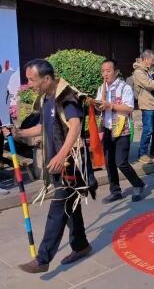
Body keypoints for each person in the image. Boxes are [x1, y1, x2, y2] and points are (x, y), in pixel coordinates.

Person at [13, 59, 95, 273]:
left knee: (58, 208)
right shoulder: (46, 98)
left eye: (32, 79)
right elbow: (42, 126)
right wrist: (18, 133)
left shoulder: (66, 97)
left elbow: (75, 127)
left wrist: (61, 154)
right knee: (71, 207)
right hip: (57, 163)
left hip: (70, 164)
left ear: (47, 79)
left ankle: (43, 259)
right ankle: (81, 245)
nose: (29, 83)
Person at [96, 59, 145, 203]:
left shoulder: (124, 87)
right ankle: (115, 191)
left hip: (122, 129)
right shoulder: (102, 88)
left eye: (108, 71)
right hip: (107, 128)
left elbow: (129, 108)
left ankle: (138, 184)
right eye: (103, 71)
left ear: (116, 72)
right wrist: (97, 105)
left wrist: (110, 105)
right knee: (109, 162)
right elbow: (100, 104)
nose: (105, 74)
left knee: (121, 162)